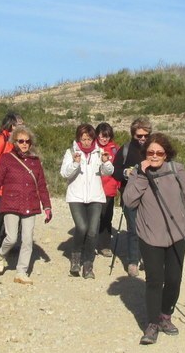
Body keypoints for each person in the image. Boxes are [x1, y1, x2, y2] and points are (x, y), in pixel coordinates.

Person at [122, 132, 185, 345]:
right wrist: (141, 175)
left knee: (174, 279)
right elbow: (128, 202)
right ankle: (152, 324)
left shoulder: (176, 170)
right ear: (145, 153)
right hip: (150, 235)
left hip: (178, 234)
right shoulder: (137, 174)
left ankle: (165, 316)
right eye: (151, 152)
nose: (155, 156)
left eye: (159, 152)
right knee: (155, 280)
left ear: (166, 154)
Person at [0, 124, 52, 283]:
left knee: (27, 240)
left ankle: (21, 272)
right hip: (11, 203)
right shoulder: (7, 159)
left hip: (30, 204)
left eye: (27, 141)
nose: (24, 144)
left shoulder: (36, 161)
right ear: (14, 142)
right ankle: (1, 255)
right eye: (21, 141)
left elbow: (41, 185)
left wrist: (47, 206)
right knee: (12, 238)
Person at [59, 123, 114, 279]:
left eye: (89, 139)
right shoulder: (70, 152)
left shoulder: (99, 152)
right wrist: (75, 163)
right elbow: (64, 174)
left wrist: (106, 162)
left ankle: (88, 264)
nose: (86, 142)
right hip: (76, 197)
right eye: (83, 139)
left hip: (96, 197)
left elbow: (107, 172)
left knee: (92, 231)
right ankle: (76, 258)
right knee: (82, 227)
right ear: (78, 138)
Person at [112, 117, 152, 277]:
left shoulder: (154, 149)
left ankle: (149, 260)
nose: (143, 139)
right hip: (130, 196)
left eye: (146, 135)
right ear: (133, 135)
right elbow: (115, 170)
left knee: (150, 230)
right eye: (139, 136)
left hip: (151, 197)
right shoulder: (126, 149)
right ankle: (133, 261)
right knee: (134, 230)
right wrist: (125, 173)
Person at [95, 122, 120, 258]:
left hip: (108, 188)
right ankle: (88, 243)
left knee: (106, 218)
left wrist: (117, 185)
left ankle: (104, 245)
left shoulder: (115, 149)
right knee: (91, 218)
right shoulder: (92, 147)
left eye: (107, 136)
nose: (104, 139)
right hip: (93, 188)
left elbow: (118, 167)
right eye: (102, 136)